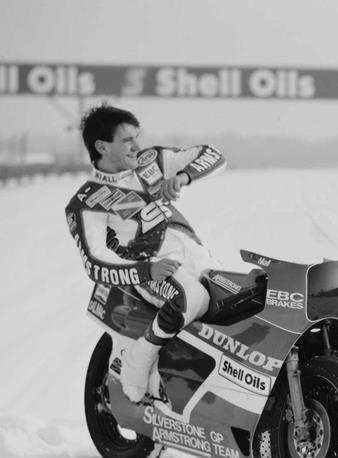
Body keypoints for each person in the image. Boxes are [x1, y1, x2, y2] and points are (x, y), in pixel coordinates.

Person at [65, 104, 226, 404]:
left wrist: (183, 177)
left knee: (236, 303)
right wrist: (146, 271)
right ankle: (139, 359)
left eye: (137, 137)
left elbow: (214, 155)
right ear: (102, 146)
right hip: (153, 273)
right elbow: (95, 261)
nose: (136, 145)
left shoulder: (151, 162)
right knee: (193, 297)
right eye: (128, 140)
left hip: (200, 258)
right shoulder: (87, 200)